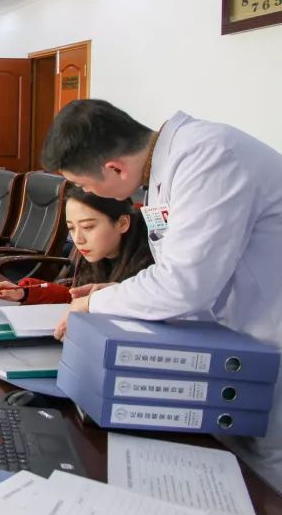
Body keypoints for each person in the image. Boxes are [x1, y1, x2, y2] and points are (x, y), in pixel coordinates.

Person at [42, 98, 282, 490]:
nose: (85, 191)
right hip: (234, 340)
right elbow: (177, 270)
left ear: (114, 168)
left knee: (267, 481)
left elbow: (184, 284)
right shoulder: (163, 172)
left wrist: (94, 303)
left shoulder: (210, 158)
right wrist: (118, 291)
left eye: (85, 184)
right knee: (232, 465)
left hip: (268, 336)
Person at [0, 186, 153, 305]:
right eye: (71, 228)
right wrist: (24, 293)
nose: (78, 239)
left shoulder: (154, 273)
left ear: (123, 223)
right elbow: (76, 296)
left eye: (88, 227)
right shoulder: (97, 255)